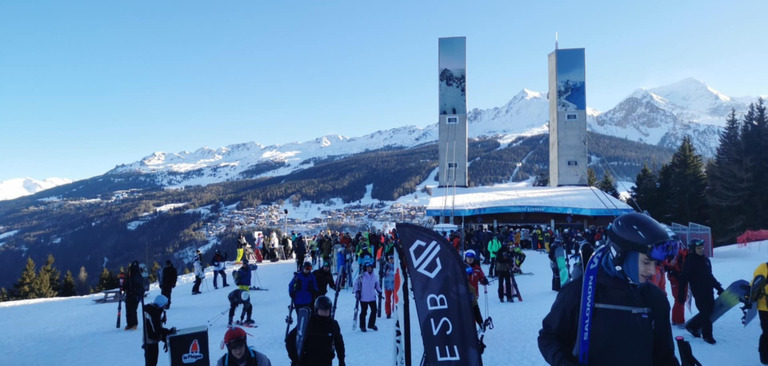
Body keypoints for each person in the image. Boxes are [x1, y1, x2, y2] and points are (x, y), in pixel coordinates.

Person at [538, 212, 680, 366]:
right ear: (620, 256)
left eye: (656, 264)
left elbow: (664, 355)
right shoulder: (580, 292)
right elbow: (549, 337)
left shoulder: (655, 298)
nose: (653, 271)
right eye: (646, 262)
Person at [681, 238, 724, 344]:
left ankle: (692, 326)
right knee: (705, 313)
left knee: (709, 311)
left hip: (708, 290)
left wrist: (718, 288)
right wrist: (681, 294)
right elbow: (684, 278)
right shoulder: (689, 261)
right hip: (698, 292)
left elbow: (710, 276)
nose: (701, 250)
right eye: (698, 248)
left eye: (702, 248)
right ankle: (707, 335)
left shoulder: (706, 260)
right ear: (693, 249)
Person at [285, 296, 346, 366]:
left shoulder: (333, 325)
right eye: (322, 310)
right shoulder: (308, 322)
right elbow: (289, 339)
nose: (325, 312)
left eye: (327, 310)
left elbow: (339, 343)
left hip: (325, 362)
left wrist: (341, 360)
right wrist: (295, 359)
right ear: (316, 310)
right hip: (307, 362)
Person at [143, 294, 176, 366]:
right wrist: (166, 334)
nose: (165, 307)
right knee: (151, 362)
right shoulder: (153, 313)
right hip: (150, 342)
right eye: (164, 305)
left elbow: (156, 328)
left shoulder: (153, 310)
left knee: (152, 361)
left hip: (151, 340)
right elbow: (156, 331)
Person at [464, 249, 490, 330]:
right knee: (466, 311)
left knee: (474, 310)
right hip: (464, 294)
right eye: (468, 257)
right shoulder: (461, 266)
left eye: (471, 258)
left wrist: (484, 280)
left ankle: (478, 325)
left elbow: (481, 278)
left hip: (474, 294)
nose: (470, 259)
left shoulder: (477, 268)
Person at [354, 260, 382, 332]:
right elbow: (356, 283)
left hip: (372, 297)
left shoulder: (374, 276)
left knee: (374, 310)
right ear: (365, 268)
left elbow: (377, 284)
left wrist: (379, 291)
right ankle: (362, 326)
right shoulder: (361, 276)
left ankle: (371, 324)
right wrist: (357, 291)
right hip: (364, 298)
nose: (369, 269)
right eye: (367, 267)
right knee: (364, 312)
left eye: (370, 267)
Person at [750, 262, 768, 364]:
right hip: (764, 307)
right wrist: (749, 297)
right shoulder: (763, 267)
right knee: (767, 332)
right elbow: (754, 284)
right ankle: (764, 357)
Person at [124, 260, 145, 330]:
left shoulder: (134, 275)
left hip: (134, 294)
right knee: (130, 310)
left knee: (132, 310)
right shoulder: (132, 275)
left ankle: (133, 324)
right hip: (132, 294)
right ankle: (130, 324)